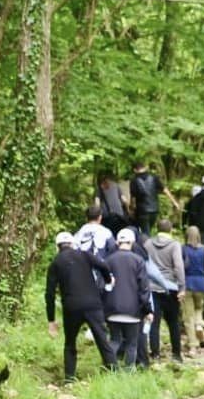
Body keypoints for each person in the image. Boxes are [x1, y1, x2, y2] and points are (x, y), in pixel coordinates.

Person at [45, 231, 115, 381]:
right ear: (72, 243)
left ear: (57, 247)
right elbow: (103, 265)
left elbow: (49, 294)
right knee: (102, 339)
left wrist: (51, 320)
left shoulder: (55, 263)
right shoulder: (84, 254)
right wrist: (108, 280)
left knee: (70, 343)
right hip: (92, 304)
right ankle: (113, 371)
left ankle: (70, 378)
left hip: (71, 307)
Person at [103, 228, 152, 367]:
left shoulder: (108, 260)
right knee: (132, 344)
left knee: (114, 340)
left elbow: (102, 285)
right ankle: (129, 372)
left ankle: (110, 368)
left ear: (118, 242)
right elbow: (144, 288)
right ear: (132, 242)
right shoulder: (138, 260)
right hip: (133, 310)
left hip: (112, 309)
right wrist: (148, 310)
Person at [144, 219, 185, 363]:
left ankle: (155, 354)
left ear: (157, 229)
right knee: (173, 322)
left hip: (152, 288)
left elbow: (145, 264)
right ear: (171, 229)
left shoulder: (148, 243)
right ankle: (176, 354)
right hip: (171, 288)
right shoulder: (174, 245)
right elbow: (178, 266)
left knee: (154, 322)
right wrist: (182, 287)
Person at [129, 163, 162, 235]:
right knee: (149, 230)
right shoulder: (154, 177)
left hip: (142, 211)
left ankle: (147, 244)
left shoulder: (134, 180)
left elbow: (133, 198)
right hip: (154, 209)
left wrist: (131, 209)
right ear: (146, 168)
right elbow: (165, 190)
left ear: (135, 170)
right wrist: (175, 202)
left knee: (145, 232)